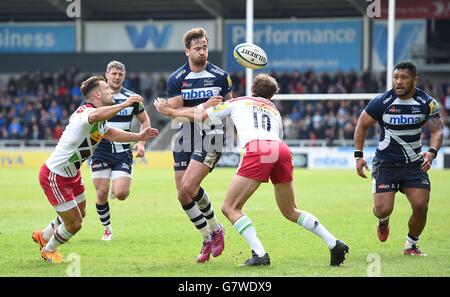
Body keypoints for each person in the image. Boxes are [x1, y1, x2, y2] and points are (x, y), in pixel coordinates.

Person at [155, 74, 349, 266]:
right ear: (271, 96)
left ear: (252, 89)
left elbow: (202, 115)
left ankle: (260, 254)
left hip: (258, 148)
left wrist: (171, 112)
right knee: (290, 210)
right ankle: (334, 243)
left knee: (230, 208)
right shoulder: (274, 110)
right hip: (281, 150)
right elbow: (277, 136)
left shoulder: (238, 102)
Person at [32, 76, 159, 264]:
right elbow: (95, 117)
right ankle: (48, 250)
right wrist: (124, 104)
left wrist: (138, 136)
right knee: (75, 223)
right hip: (55, 175)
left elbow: (111, 133)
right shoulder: (86, 112)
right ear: (97, 94)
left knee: (80, 212)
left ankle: (44, 235)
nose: (111, 91)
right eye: (107, 88)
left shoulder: (100, 119)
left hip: (72, 174)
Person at [354, 61, 443, 256]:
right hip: (386, 164)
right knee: (382, 209)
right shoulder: (382, 101)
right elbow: (362, 125)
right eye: (396, 78)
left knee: (421, 206)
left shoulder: (427, 103)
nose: (398, 82)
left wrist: (432, 151)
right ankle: (384, 220)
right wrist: (358, 156)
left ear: (415, 80)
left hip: (413, 164)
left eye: (403, 78)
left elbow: (437, 130)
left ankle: (411, 244)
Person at [165, 27, 232, 263]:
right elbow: (176, 116)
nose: (203, 52)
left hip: (212, 134)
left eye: (205, 47)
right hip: (184, 133)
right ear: (187, 51)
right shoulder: (176, 78)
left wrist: (194, 111)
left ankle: (216, 229)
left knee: (191, 185)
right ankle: (206, 237)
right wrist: (203, 108)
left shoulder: (221, 76)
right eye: (197, 49)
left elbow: (228, 108)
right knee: (183, 194)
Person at [90, 61, 151, 241]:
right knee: (101, 193)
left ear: (124, 77)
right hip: (100, 150)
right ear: (106, 75)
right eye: (114, 74)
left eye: (120, 74)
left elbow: (145, 121)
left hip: (123, 151)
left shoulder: (132, 98)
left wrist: (141, 143)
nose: (117, 77)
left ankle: (117, 190)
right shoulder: (96, 97)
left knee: (121, 193)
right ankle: (107, 229)